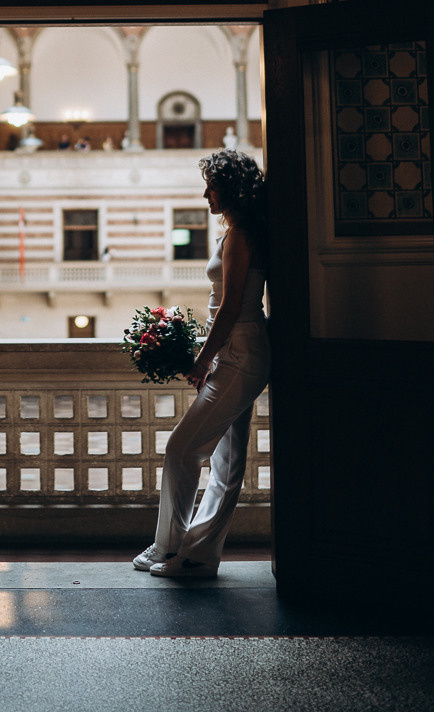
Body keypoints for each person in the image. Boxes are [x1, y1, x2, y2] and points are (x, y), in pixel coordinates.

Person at [133, 150, 270, 580]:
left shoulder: (241, 236)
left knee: (181, 448)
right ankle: (195, 553)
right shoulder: (235, 232)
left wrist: (202, 360)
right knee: (227, 462)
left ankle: (173, 548)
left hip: (240, 352)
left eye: (211, 185)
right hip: (238, 349)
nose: (205, 192)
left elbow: (229, 308)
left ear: (228, 189)